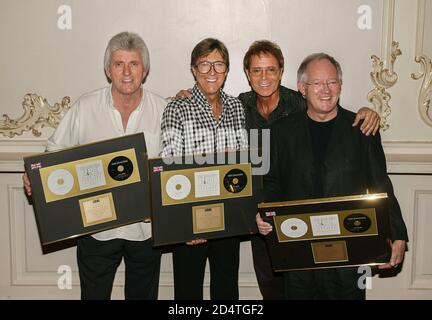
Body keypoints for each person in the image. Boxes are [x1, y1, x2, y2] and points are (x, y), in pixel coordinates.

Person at [175, 40, 381, 299]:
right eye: (257, 71)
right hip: (255, 212)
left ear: (281, 72)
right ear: (248, 76)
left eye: (271, 70)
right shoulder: (239, 107)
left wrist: (367, 111)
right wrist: (186, 95)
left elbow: (333, 113)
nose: (264, 77)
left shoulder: (300, 102)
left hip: (298, 214)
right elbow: (210, 104)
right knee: (271, 287)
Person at [23, 31, 166, 300]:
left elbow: (173, 166)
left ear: (144, 70)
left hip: (146, 231)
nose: (126, 72)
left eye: (133, 64)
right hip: (97, 229)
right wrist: (34, 179)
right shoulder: (85, 107)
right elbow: (54, 151)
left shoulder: (163, 110)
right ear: (107, 69)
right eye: (118, 64)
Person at [256, 52, 408, 300]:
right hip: (299, 255)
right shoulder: (281, 132)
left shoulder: (362, 129)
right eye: (317, 83)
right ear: (303, 89)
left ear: (340, 85)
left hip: (350, 258)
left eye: (332, 82)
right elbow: (272, 182)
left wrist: (398, 233)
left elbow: (381, 185)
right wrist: (264, 212)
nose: (325, 90)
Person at [161, 38, 248, 300]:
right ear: (193, 69)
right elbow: (170, 170)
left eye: (218, 64)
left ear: (227, 69)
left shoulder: (236, 107)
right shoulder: (177, 107)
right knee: (188, 294)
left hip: (228, 220)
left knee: (227, 291)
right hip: (190, 225)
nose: (212, 72)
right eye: (204, 64)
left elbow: (241, 167)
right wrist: (185, 225)